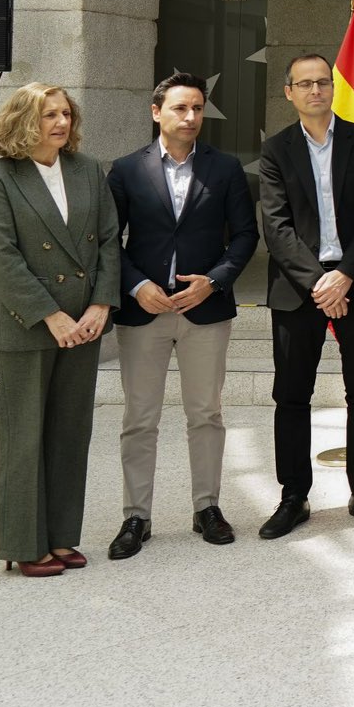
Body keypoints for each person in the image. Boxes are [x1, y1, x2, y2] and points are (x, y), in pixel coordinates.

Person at [105, 70, 258, 559]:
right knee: (139, 417)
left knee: (206, 413)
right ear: (156, 112)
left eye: (197, 108)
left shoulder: (226, 168)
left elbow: (245, 237)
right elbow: (109, 241)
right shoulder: (127, 170)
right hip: (143, 309)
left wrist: (214, 280)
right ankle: (136, 517)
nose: (190, 117)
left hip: (205, 309)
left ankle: (206, 507)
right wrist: (136, 284)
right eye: (179, 108)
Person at [0, 83, 119, 577]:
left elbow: (108, 243)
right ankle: (22, 543)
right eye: (48, 115)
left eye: (65, 114)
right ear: (21, 122)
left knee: (69, 434)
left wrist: (101, 304)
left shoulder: (87, 170)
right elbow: (2, 257)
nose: (60, 123)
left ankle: (59, 538)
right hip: (29, 325)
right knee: (23, 438)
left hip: (83, 324)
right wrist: (51, 316)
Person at [255, 53, 354, 539]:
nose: (316, 90)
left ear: (332, 88)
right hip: (300, 289)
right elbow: (275, 226)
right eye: (305, 84)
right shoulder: (275, 151)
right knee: (292, 394)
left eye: (323, 82)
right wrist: (321, 282)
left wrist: (346, 276)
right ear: (289, 92)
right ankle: (294, 496)